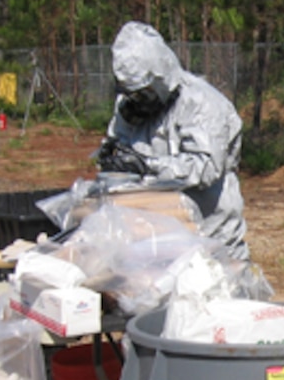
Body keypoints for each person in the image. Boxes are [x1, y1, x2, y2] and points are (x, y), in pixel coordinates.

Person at [97, 21, 250, 261]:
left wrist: (148, 166)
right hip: (151, 233)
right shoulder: (129, 105)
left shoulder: (201, 103)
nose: (137, 100)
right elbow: (120, 142)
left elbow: (205, 167)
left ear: (161, 78)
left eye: (143, 93)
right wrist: (112, 158)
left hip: (208, 231)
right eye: (131, 93)